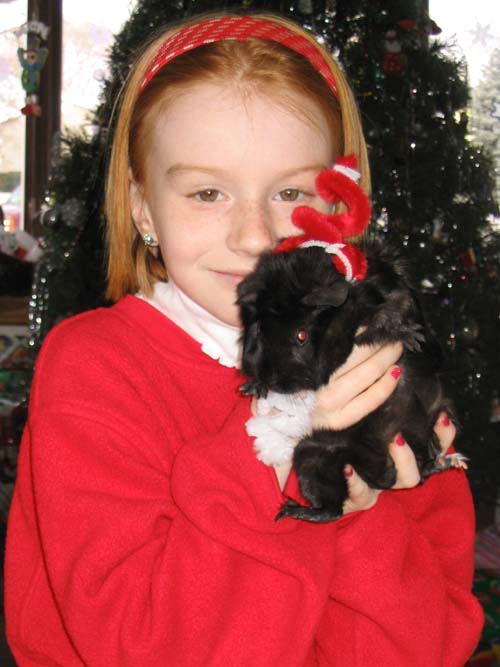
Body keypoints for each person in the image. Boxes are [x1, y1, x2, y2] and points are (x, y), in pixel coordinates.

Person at [4, 12, 483, 667]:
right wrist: (277, 445)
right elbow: (141, 647)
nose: (255, 236)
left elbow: (420, 648)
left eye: (290, 192)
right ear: (144, 207)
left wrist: (346, 500)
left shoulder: (379, 372)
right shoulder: (94, 365)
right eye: (207, 193)